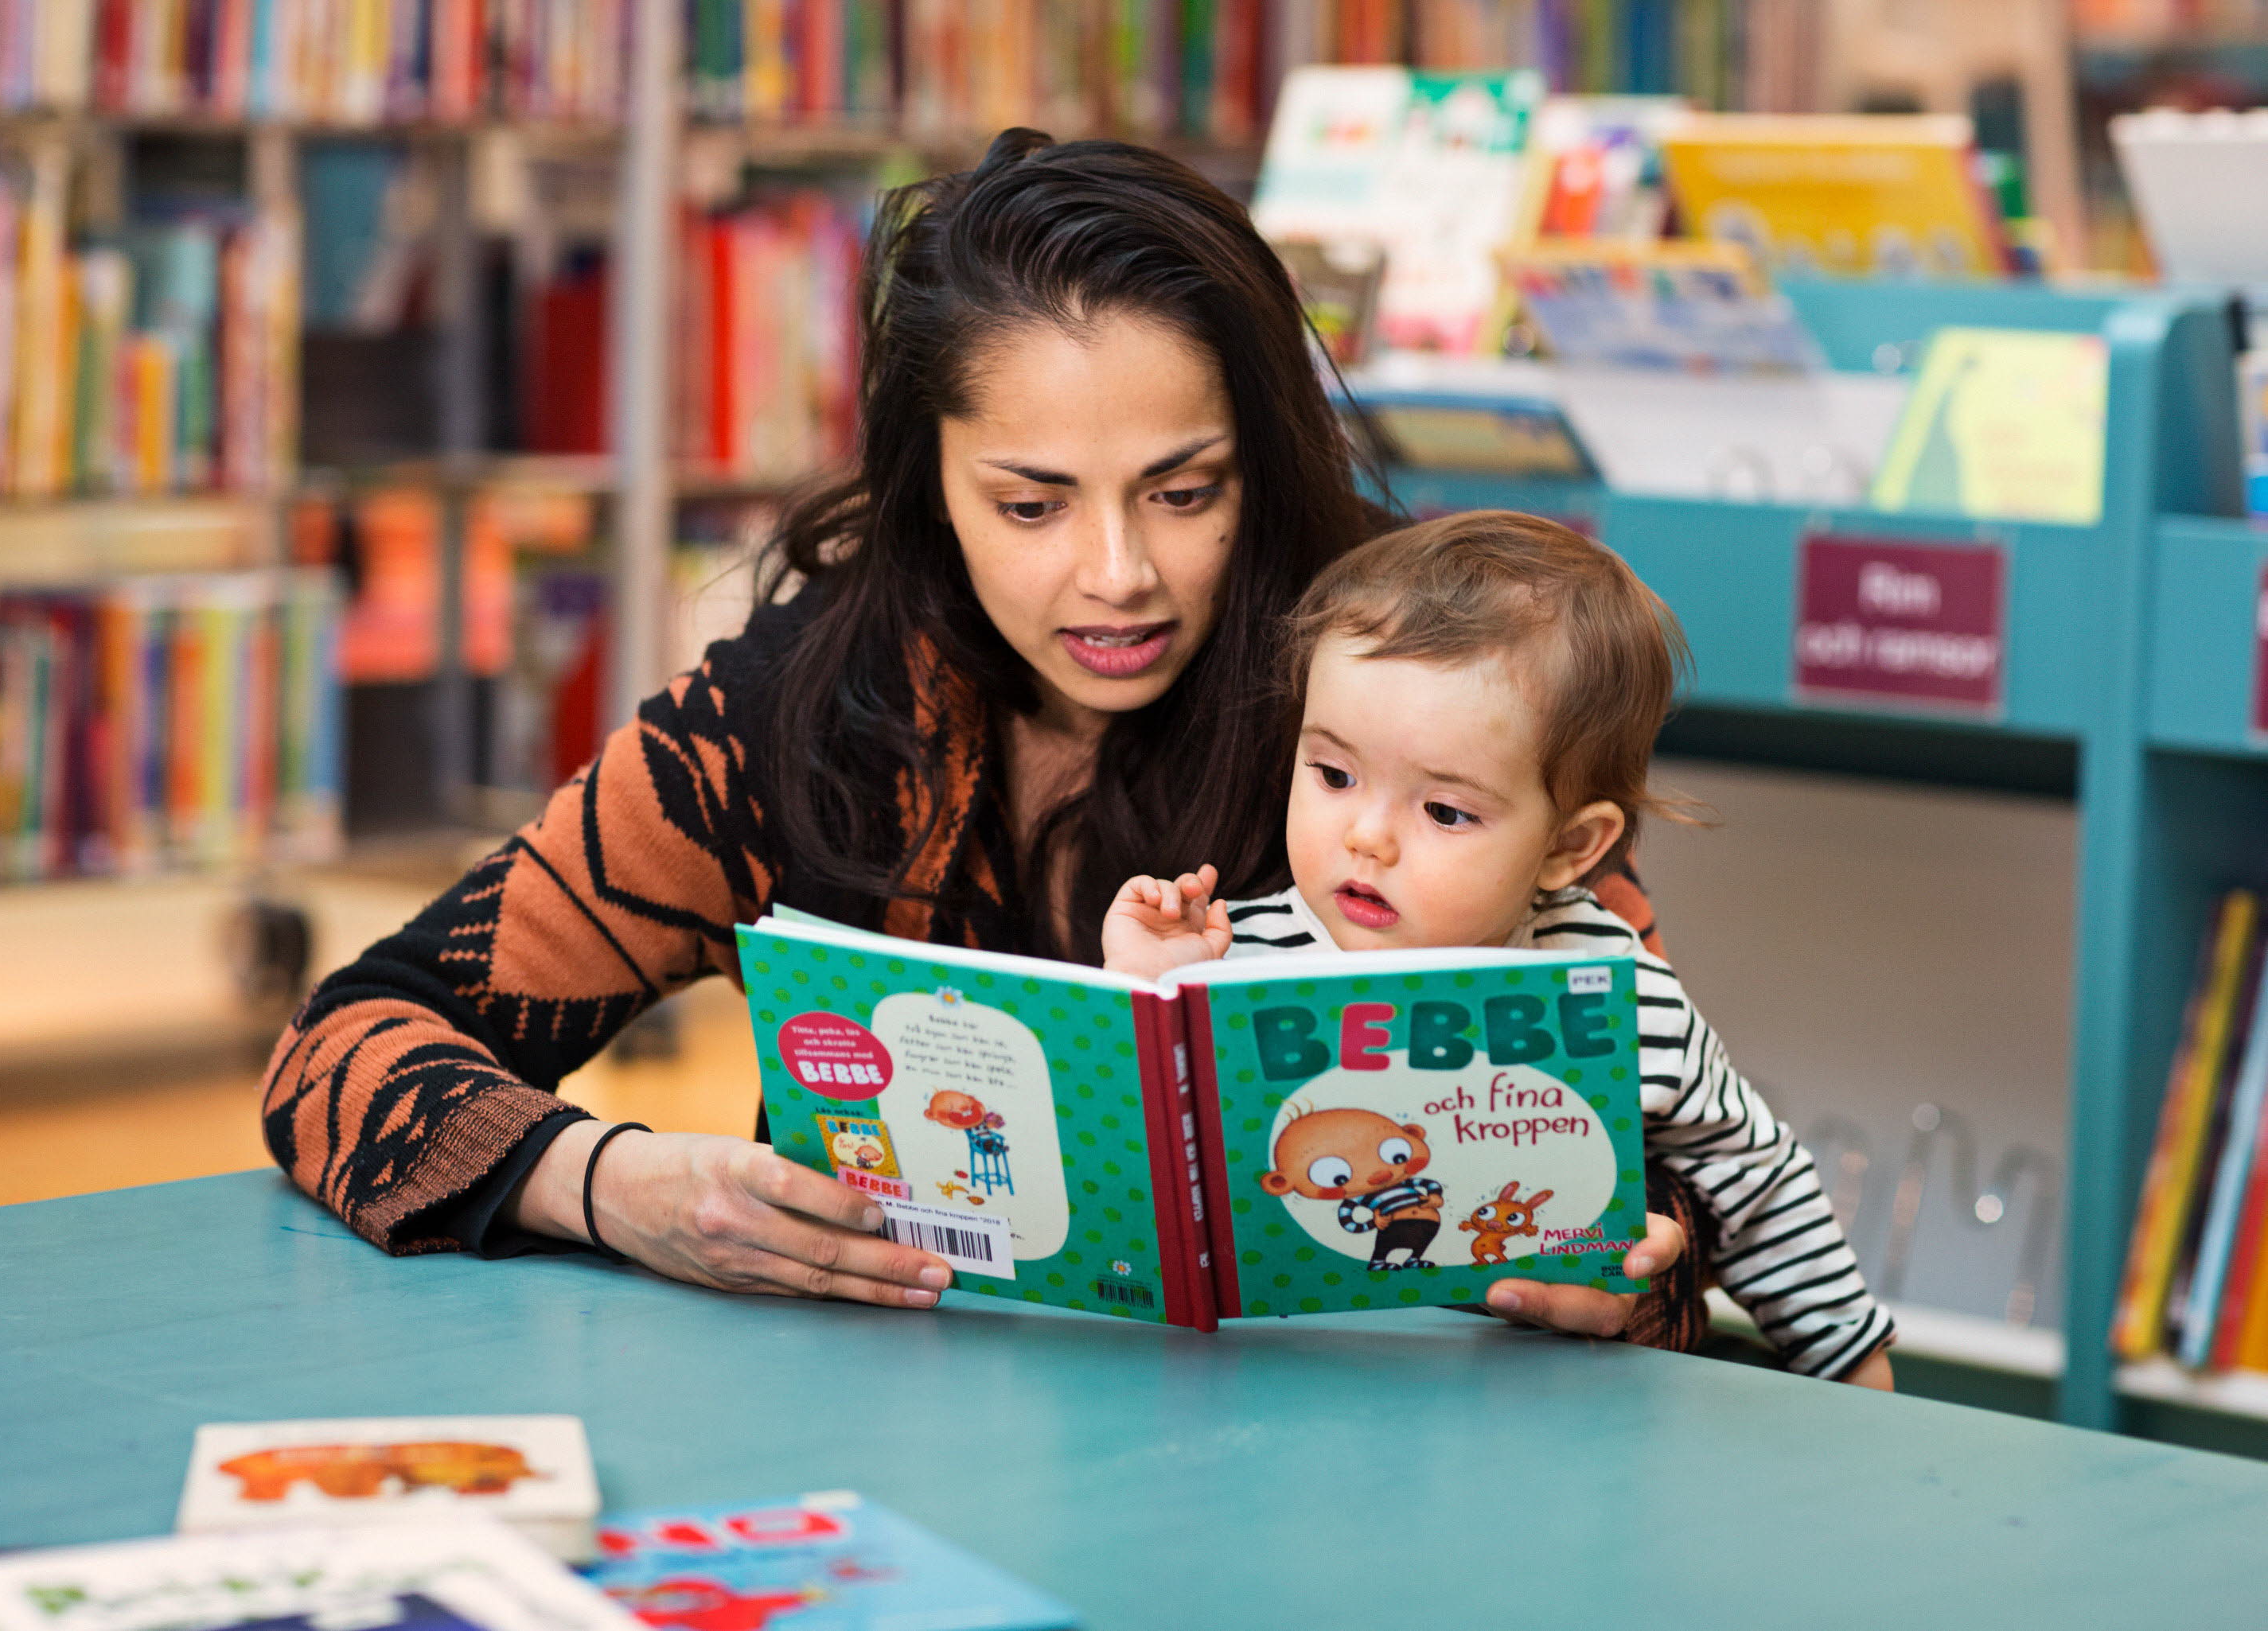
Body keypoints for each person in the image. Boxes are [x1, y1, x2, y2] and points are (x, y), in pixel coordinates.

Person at [261, 130, 1704, 1349]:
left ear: (1263, 465)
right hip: (877, 1461)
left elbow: (1670, 1210)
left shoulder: (1427, 700)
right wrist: (610, 1182)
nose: (1117, 574)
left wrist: (1617, 1287)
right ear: (929, 483)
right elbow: (343, 1048)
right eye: (1031, 505)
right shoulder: (791, 713)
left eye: (1185, 493)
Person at [1103, 510, 1897, 1385]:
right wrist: (1145, 1002)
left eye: (1444, 810)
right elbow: (1130, 1196)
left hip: (1532, 1424)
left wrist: (1850, 1357)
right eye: (1333, 774)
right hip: (1271, 1403)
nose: (1366, 837)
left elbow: (1754, 1172)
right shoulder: (1226, 963)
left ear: (1570, 847)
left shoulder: (1618, 994)